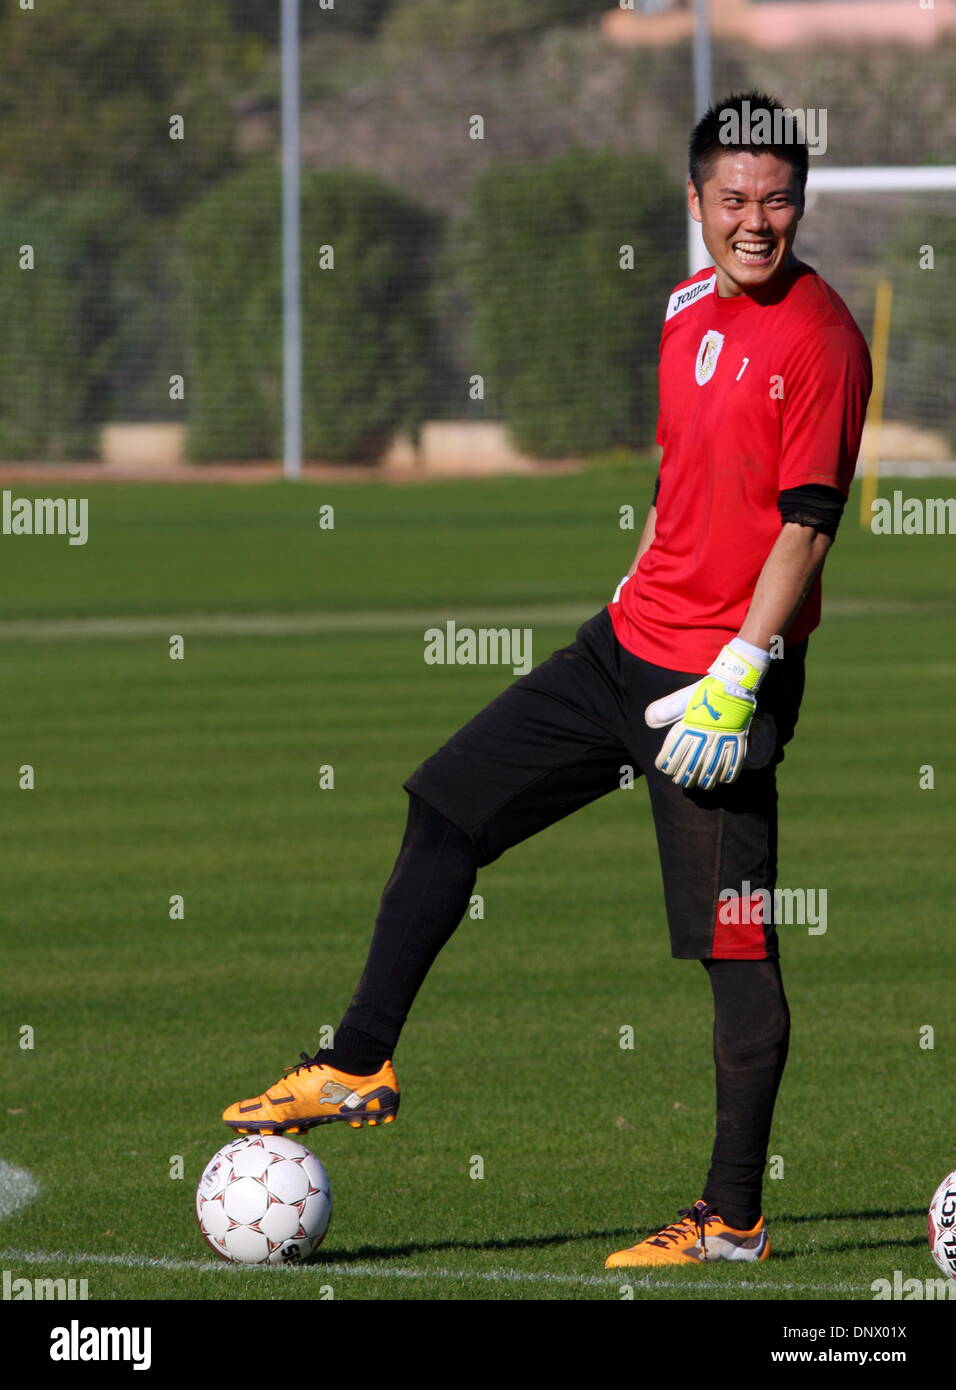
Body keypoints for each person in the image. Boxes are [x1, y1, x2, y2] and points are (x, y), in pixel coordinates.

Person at [222, 90, 872, 1268]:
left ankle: (731, 1220)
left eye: (776, 200)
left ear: (799, 206)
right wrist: (637, 592)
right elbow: (687, 488)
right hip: (621, 649)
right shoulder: (680, 309)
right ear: (693, 203)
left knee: (735, 946)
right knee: (446, 804)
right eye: (732, 199)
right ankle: (358, 1059)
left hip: (719, 690)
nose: (755, 221)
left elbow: (807, 527)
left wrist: (738, 671)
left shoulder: (820, 340)